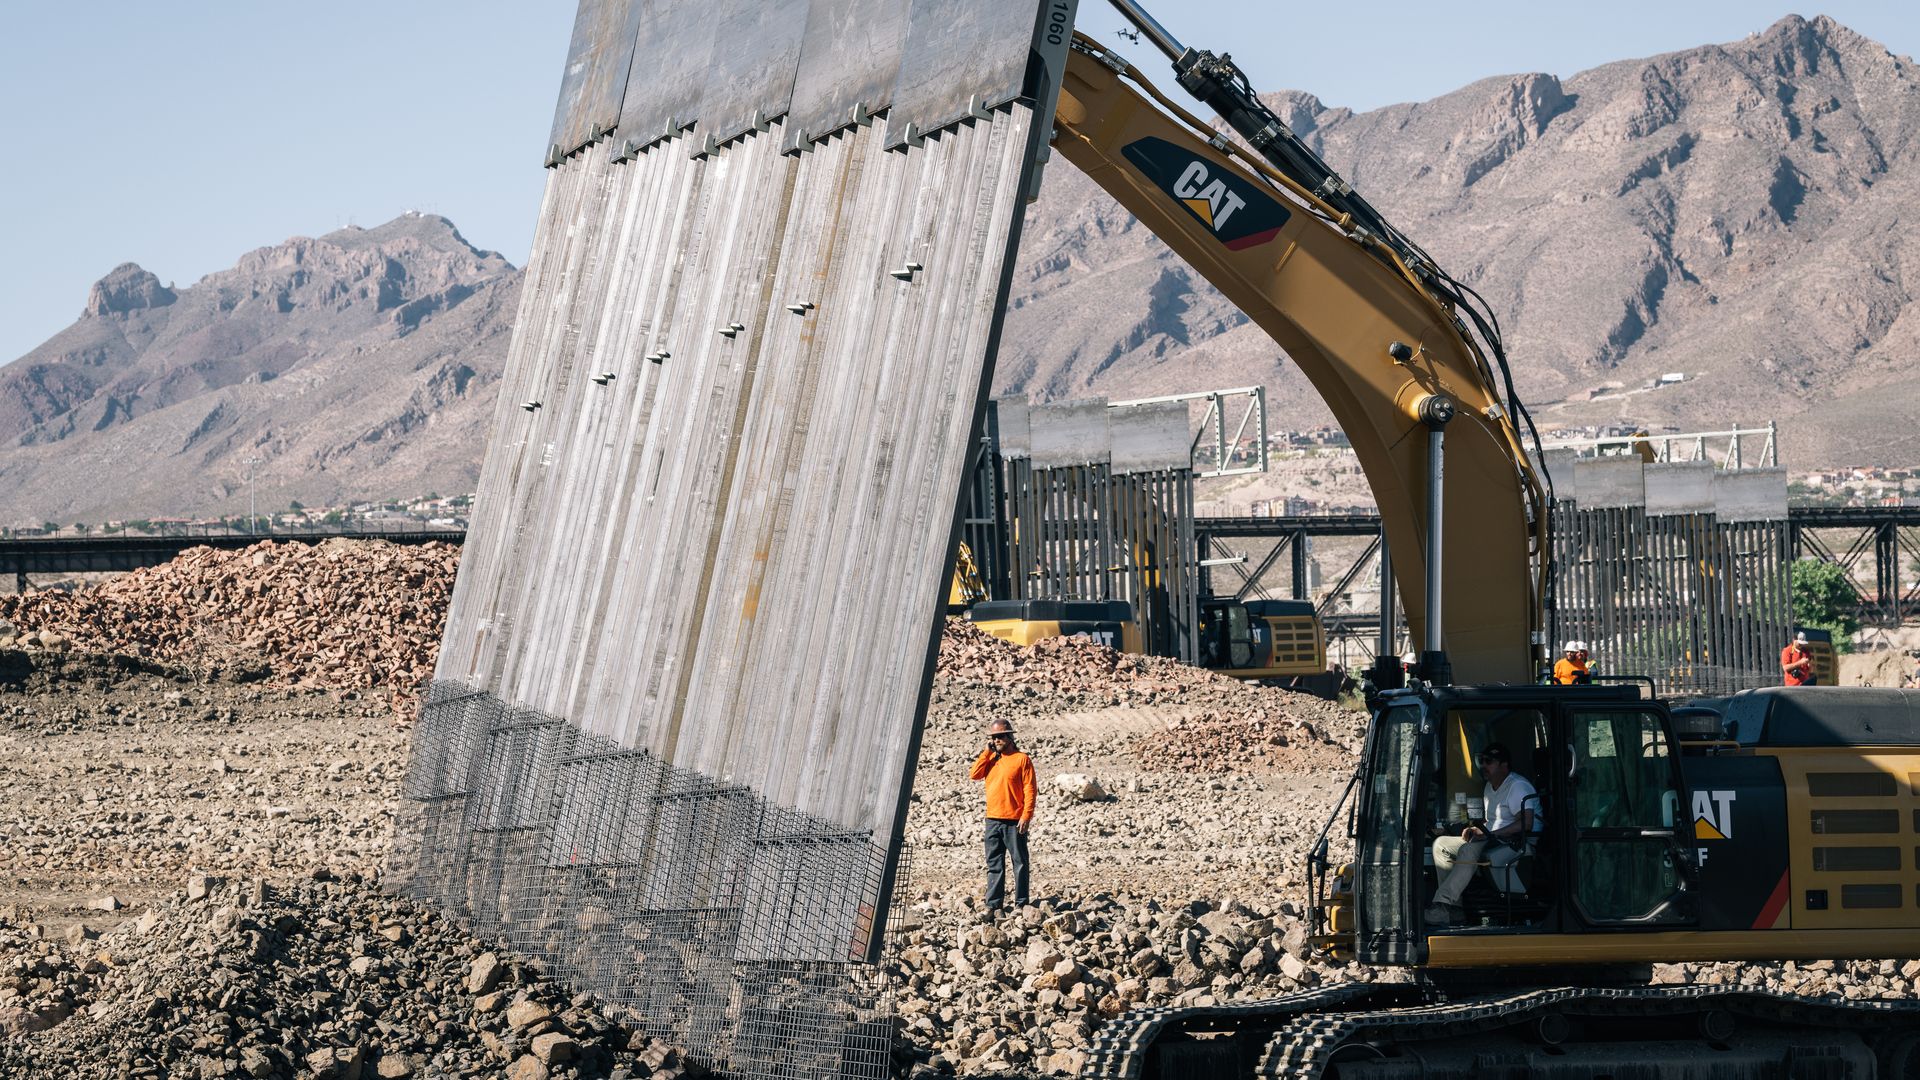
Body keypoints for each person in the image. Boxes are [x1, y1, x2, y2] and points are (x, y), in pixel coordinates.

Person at [1424, 743, 1540, 926]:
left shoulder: (1517, 786)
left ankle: (1442, 904)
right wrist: (1476, 830)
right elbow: (1492, 820)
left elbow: (1526, 823)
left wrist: (1489, 834)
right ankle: (1455, 909)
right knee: (1441, 845)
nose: (1484, 766)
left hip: (1517, 841)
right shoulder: (1489, 787)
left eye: (1489, 762)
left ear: (1504, 765)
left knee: (1468, 851)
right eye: (1482, 761)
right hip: (1495, 838)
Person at [969, 718, 1037, 913]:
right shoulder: (990, 759)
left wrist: (1027, 816)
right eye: (994, 737)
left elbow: (1030, 789)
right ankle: (993, 904)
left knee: (1020, 863)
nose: (997, 740)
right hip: (992, 819)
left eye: (1000, 736)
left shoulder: (1022, 759)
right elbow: (974, 774)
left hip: (1014, 820)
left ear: (1009, 737)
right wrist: (986, 752)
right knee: (994, 863)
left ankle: (1021, 904)